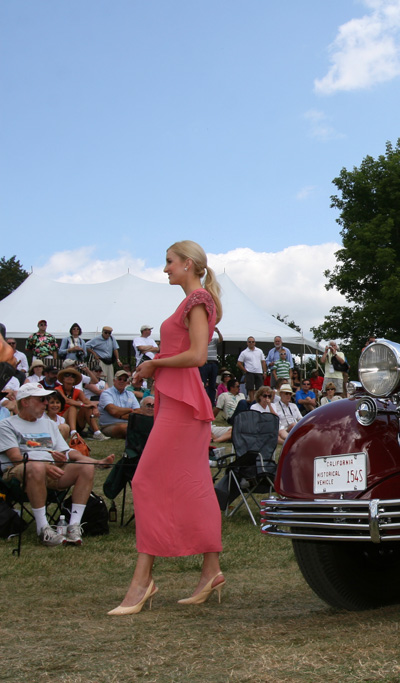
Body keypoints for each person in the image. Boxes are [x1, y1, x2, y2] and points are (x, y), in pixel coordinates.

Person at [109, 240, 226, 616]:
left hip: (184, 402)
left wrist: (157, 364)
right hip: (178, 400)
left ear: (188, 264)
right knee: (193, 483)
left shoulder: (197, 302)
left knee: (146, 480)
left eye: (169, 262)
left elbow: (196, 355)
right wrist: (155, 363)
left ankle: (143, 581)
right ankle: (210, 570)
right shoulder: (193, 301)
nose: (165, 269)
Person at [0, 383, 99, 546]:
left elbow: (66, 452)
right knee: (37, 467)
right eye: (41, 400)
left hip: (51, 471)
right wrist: (45, 465)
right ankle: (43, 529)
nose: (46, 403)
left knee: (85, 467)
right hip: (18, 473)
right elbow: (16, 458)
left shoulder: (49, 424)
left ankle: (73, 526)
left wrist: (95, 461)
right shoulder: (7, 425)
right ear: (25, 402)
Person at [57, 366, 107, 440]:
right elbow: (67, 400)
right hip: (62, 421)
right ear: (63, 379)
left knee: (87, 407)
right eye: (67, 375)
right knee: (73, 407)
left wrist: (94, 407)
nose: (70, 377)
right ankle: (73, 433)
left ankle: (97, 432)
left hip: (75, 420)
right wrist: (83, 405)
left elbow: (86, 401)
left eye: (73, 376)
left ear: (75, 380)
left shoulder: (78, 391)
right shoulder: (58, 389)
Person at [97, 370, 141, 439]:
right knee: (125, 428)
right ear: (114, 380)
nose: (122, 381)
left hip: (127, 423)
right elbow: (113, 411)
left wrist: (120, 415)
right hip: (109, 425)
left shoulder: (130, 394)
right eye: (119, 379)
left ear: (127, 382)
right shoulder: (106, 393)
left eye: (124, 380)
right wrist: (130, 410)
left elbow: (138, 412)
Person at [237, 337, 266, 401]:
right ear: (247, 343)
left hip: (259, 372)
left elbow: (263, 361)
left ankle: (259, 401)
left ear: (255, 343)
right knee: (250, 388)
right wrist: (245, 370)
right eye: (249, 342)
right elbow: (239, 363)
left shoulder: (259, 351)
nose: (251, 343)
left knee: (260, 388)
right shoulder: (244, 352)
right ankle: (252, 402)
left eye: (252, 342)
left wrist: (265, 372)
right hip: (249, 372)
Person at [200, 325, 222, 407]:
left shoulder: (214, 340)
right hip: (204, 363)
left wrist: (218, 332)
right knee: (203, 383)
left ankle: (211, 402)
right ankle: (203, 401)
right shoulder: (201, 341)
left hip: (213, 363)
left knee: (212, 384)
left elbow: (221, 340)